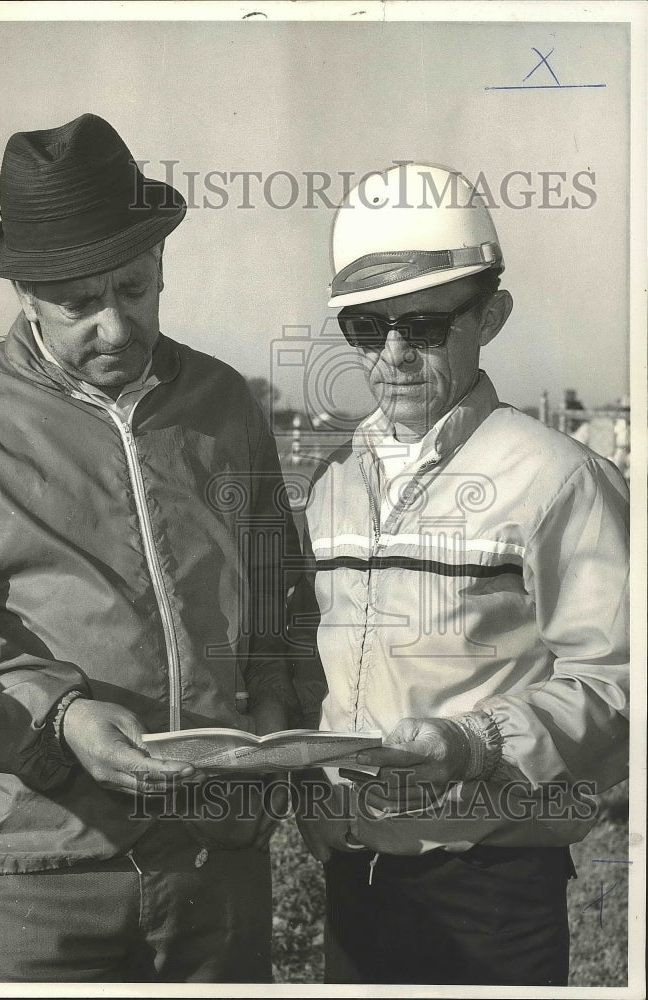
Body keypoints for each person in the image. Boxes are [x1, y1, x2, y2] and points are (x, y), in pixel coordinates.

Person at [0, 113, 301, 983]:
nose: (113, 326)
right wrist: (59, 720)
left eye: (133, 290)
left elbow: (278, 594)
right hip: (32, 870)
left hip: (214, 862)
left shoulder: (221, 401)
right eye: (77, 305)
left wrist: (278, 716)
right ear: (23, 292)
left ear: (160, 268)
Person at [290, 162, 629, 986]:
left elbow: (618, 677)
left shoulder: (559, 477)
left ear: (491, 315)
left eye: (426, 326)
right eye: (367, 331)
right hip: (354, 873)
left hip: (492, 887)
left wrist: (471, 744)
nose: (394, 355)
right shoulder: (331, 479)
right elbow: (312, 659)